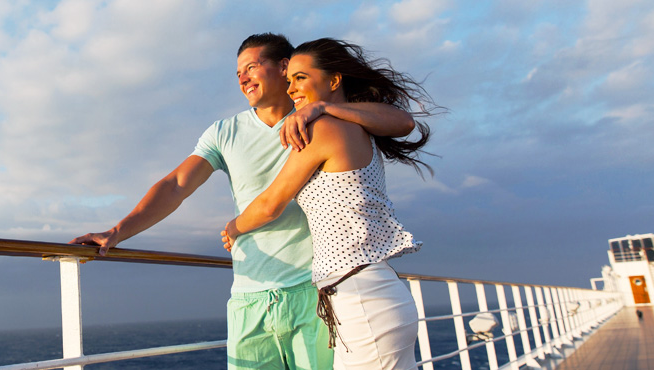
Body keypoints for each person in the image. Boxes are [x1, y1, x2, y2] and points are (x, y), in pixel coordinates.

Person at [70, 33, 415, 370]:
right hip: (251, 298)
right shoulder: (223, 133)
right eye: (238, 73)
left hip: (316, 295)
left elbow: (400, 122)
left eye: (252, 66)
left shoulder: (322, 122)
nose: (243, 78)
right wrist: (117, 232)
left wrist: (321, 108)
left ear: (284, 66)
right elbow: (176, 184)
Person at [221, 38, 433, 370]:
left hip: (363, 300)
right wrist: (322, 107)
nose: (291, 89)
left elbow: (270, 204)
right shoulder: (353, 124)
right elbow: (402, 122)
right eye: (289, 79)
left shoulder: (325, 129)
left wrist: (233, 228)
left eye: (300, 78)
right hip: (369, 294)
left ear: (334, 81)